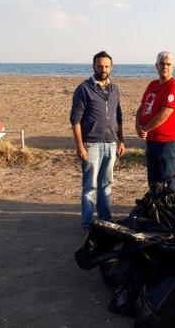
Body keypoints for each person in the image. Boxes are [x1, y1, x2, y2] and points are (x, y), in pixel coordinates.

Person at [70, 51, 126, 230]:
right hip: (91, 145)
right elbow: (75, 120)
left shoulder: (114, 89)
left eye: (107, 66)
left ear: (111, 67)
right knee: (90, 186)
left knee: (106, 184)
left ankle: (105, 220)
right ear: (93, 66)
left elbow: (119, 117)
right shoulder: (84, 89)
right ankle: (87, 223)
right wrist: (80, 146)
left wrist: (121, 141)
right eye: (100, 66)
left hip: (110, 144)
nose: (103, 69)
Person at [136, 51, 175, 193]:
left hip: (167, 142)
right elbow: (142, 107)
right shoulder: (152, 85)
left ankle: (170, 211)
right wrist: (138, 126)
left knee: (167, 179)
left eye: (168, 64)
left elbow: (164, 114)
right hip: (152, 140)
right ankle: (156, 209)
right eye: (162, 64)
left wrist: (145, 129)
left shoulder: (173, 87)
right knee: (153, 179)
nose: (165, 67)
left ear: (173, 67)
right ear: (156, 66)